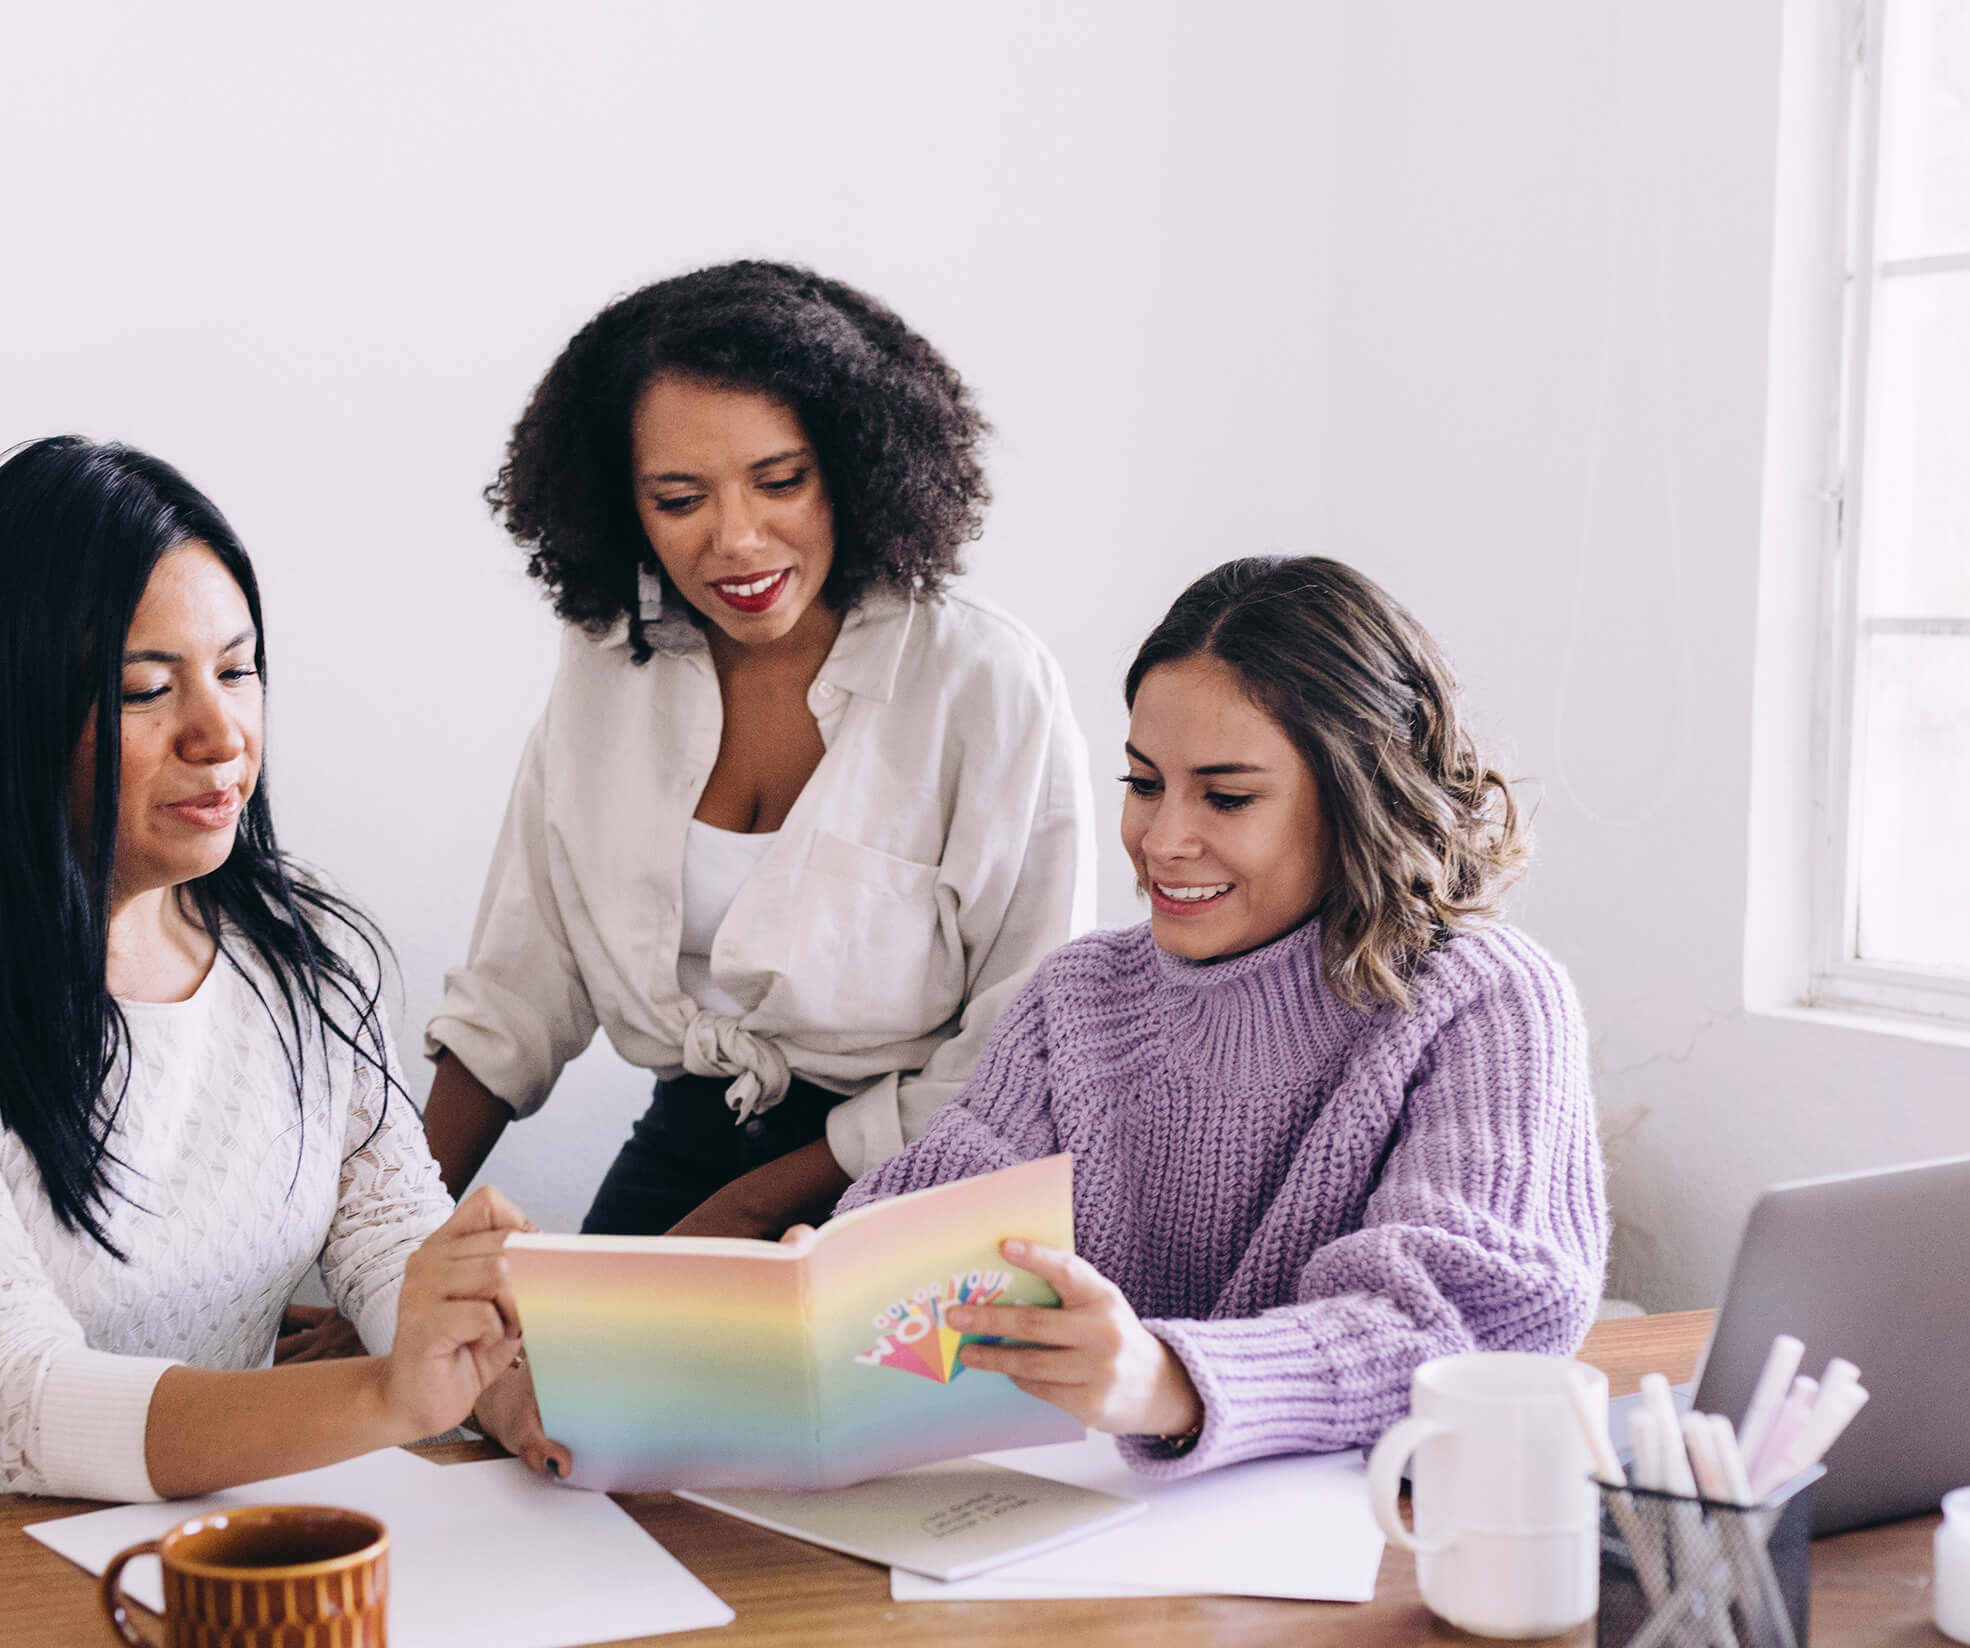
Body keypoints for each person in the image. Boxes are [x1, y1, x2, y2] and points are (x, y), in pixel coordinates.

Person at [0, 438, 526, 1517]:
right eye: (148, 688)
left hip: (175, 1558)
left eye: (238, 671)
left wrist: (522, 1392)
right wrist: (387, 1393)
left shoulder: (308, 961)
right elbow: (15, 1396)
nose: (221, 732)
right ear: (16, 710)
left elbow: (393, 1253)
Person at [427, 261, 1095, 1471]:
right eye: (678, 497)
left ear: (856, 460)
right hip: (693, 1146)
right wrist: (397, 1267)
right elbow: (514, 996)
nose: (735, 539)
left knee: (869, 1522)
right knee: (567, 1460)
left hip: (920, 1174)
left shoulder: (984, 684)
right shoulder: (602, 670)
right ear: (621, 505)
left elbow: (1027, 1046)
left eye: (779, 480)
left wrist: (754, 1209)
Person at [823, 555, 1606, 1476]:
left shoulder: (1488, 1001)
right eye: (1144, 783)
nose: (1162, 841)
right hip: (1086, 1536)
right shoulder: (1073, 1000)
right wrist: (842, 1280)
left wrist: (1174, 1380)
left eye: (1227, 797)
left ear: (1363, 800)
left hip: (1366, 1547)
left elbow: (1468, 1325)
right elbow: (948, 1211)